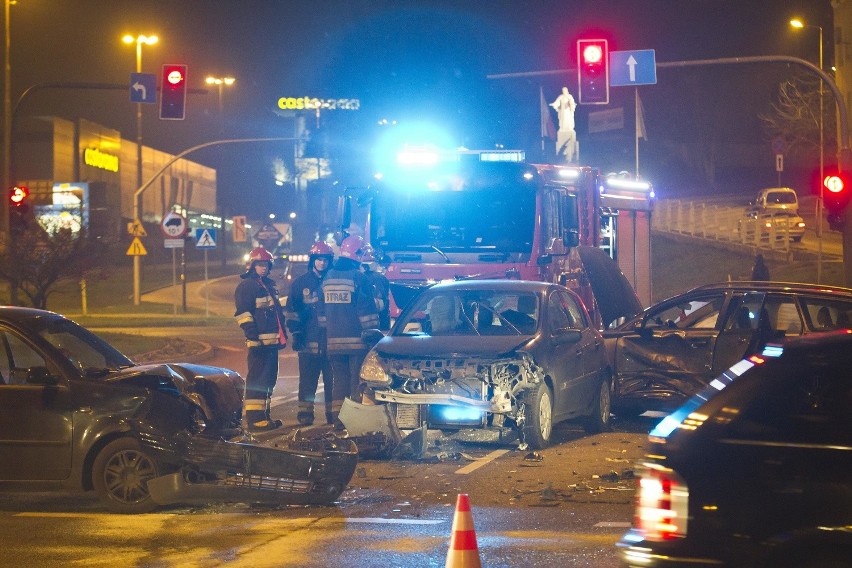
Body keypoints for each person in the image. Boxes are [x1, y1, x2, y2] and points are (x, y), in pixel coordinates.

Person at [320, 235, 379, 427]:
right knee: (357, 382)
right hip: (357, 342)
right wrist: (373, 333)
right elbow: (366, 311)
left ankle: (338, 420)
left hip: (333, 342)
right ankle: (353, 421)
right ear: (358, 253)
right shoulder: (358, 277)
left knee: (339, 381)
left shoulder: (327, 277)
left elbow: (321, 312)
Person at [234, 246, 287, 432]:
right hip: (259, 344)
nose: (263, 268)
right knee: (258, 380)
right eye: (260, 265)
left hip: (271, 344)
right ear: (252, 265)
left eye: (266, 265)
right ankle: (255, 419)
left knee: (268, 380)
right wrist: (252, 338)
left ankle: (264, 416)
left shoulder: (266, 285)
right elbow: (243, 315)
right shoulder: (247, 286)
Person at [285, 241, 335, 426]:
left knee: (332, 382)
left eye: (325, 259)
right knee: (307, 382)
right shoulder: (301, 283)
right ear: (312, 260)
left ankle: (333, 416)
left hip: (331, 343)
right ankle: (305, 416)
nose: (322, 263)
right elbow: (292, 310)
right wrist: (296, 333)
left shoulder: (334, 281)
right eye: (318, 259)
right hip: (308, 341)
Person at [360, 243, 391, 332]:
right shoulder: (382, 278)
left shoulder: (357, 278)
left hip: (362, 327)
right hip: (381, 325)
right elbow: (383, 305)